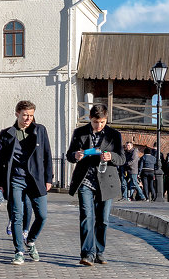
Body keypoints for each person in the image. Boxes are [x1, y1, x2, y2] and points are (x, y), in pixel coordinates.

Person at [0, 100, 53, 266]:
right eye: (25, 115)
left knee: (42, 216)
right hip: (15, 179)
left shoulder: (40, 130)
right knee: (17, 216)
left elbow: (47, 154)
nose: (28, 118)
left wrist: (49, 178)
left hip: (36, 179)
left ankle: (30, 241)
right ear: (17, 113)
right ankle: (19, 251)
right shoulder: (6, 133)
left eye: (31, 115)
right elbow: (0, 160)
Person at [67, 104, 124, 266]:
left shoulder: (114, 135)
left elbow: (122, 159)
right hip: (85, 181)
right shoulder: (80, 132)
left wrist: (110, 156)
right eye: (95, 122)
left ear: (106, 120)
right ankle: (87, 254)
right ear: (90, 119)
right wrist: (75, 155)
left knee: (103, 220)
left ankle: (99, 251)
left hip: (107, 182)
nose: (98, 125)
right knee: (86, 216)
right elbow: (69, 155)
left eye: (102, 122)